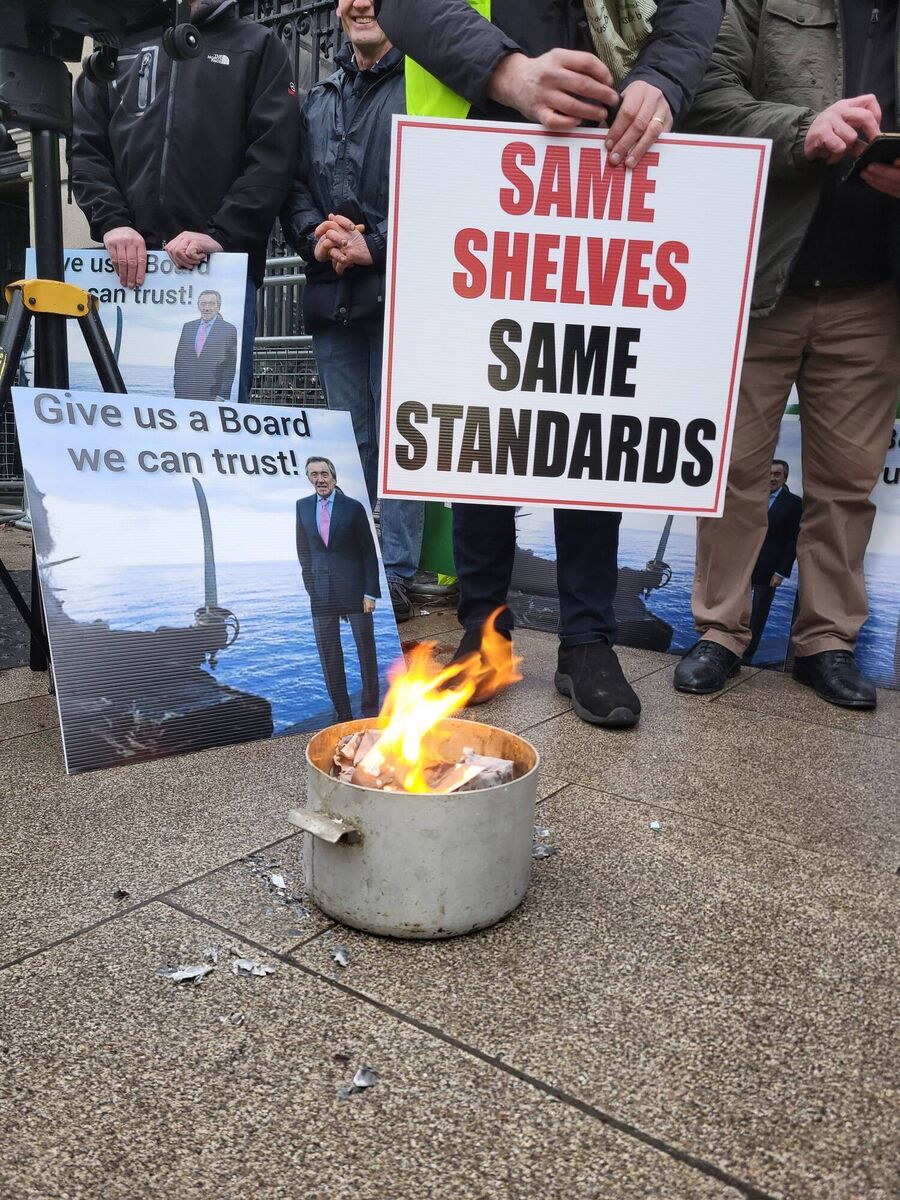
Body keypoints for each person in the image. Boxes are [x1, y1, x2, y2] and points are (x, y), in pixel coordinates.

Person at [371, 0, 726, 726]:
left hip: (613, 161)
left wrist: (663, 78)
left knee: (591, 409)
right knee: (479, 416)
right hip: (480, 152)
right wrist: (505, 71)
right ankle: (484, 633)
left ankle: (588, 641)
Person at [675, 0, 900, 710]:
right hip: (759, 279)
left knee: (847, 486)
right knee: (733, 472)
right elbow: (707, 101)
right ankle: (720, 632)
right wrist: (806, 132)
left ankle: (826, 642)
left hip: (874, 292)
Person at [281, 0, 454, 623]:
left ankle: (398, 573)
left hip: (403, 292)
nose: (361, 4)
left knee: (399, 438)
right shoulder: (318, 97)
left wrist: (373, 245)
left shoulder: (425, 88)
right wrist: (317, 236)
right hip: (333, 292)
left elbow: (446, 184)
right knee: (350, 440)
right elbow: (293, 185)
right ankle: (358, 571)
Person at [71, 0, 299, 403]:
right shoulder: (116, 45)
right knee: (113, 426)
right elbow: (86, 148)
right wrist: (113, 222)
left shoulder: (259, 45)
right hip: (124, 272)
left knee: (215, 429)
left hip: (220, 268)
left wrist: (221, 234)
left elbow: (273, 157)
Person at [296, 456, 382, 722]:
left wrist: (370, 592)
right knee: (329, 655)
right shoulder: (302, 506)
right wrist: (311, 587)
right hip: (321, 593)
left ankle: (370, 710)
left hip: (356, 590)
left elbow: (368, 552)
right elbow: (304, 552)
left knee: (365, 650)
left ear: (334, 477)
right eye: (314, 475)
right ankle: (343, 713)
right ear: (309, 478)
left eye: (324, 474)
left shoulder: (353, 507)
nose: (320, 479)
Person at [743, 459, 803, 665]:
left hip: (768, 569)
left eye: (777, 474)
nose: (772, 478)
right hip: (743, 565)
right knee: (736, 609)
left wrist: (781, 572)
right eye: (768, 473)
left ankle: (746, 658)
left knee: (758, 616)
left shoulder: (793, 503)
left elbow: (792, 541)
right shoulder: (752, 498)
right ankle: (729, 649)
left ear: (785, 478)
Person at [173, 290, 237, 402]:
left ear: (218, 307)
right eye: (203, 303)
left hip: (212, 395)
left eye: (211, 304)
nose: (206, 308)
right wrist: (178, 389)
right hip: (184, 393)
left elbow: (230, 366)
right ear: (198, 306)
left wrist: (221, 396)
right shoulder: (188, 327)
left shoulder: (228, 329)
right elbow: (179, 360)